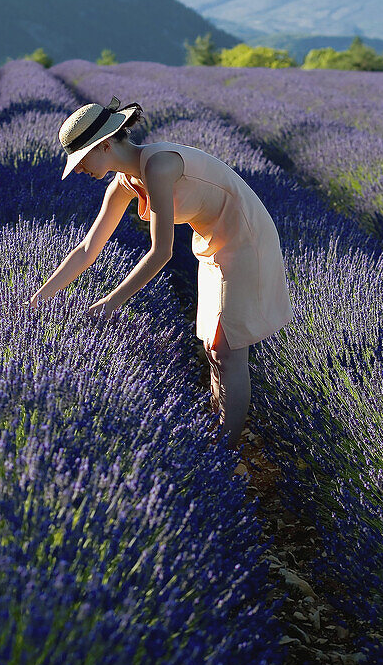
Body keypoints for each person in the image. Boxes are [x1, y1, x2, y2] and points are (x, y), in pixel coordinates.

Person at [29, 98, 294, 452]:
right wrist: (40, 298)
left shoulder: (159, 165)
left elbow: (162, 252)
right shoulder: (124, 183)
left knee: (229, 350)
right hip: (214, 245)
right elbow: (88, 249)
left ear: (105, 144)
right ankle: (218, 436)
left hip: (247, 242)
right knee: (213, 349)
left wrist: (113, 301)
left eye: (81, 160)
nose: (79, 170)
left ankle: (226, 453)